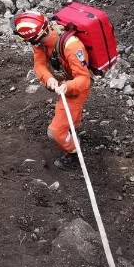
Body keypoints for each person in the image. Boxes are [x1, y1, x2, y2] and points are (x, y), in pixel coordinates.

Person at [12, 10, 92, 171]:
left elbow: (84, 80)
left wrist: (67, 86)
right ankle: (73, 128)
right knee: (70, 119)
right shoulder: (40, 42)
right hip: (66, 82)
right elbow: (39, 65)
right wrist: (48, 78)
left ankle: (74, 152)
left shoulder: (72, 46)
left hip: (76, 88)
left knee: (55, 132)